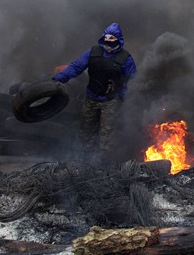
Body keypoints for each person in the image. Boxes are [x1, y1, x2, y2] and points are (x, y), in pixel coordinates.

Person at [52, 23, 136, 162]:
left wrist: (126, 99)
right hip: (91, 97)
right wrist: (60, 78)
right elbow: (76, 67)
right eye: (107, 38)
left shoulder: (125, 58)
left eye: (112, 38)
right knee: (86, 131)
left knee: (107, 136)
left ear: (118, 39)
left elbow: (132, 80)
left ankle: (103, 164)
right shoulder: (93, 53)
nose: (108, 41)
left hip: (111, 101)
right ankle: (86, 161)